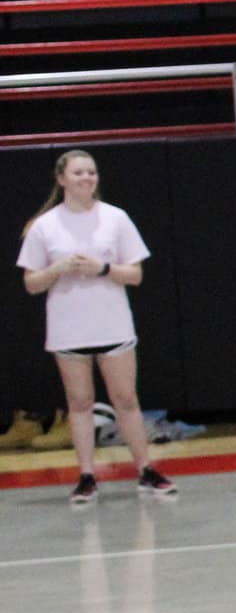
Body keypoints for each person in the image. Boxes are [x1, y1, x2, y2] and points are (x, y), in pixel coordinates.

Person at [16, 148, 176, 504]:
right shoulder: (44, 226)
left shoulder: (116, 218)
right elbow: (31, 283)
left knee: (126, 399)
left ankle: (146, 470)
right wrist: (59, 268)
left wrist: (101, 269)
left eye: (91, 172)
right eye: (78, 173)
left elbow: (135, 274)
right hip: (68, 328)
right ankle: (87, 476)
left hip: (113, 324)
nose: (86, 178)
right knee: (80, 401)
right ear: (61, 180)